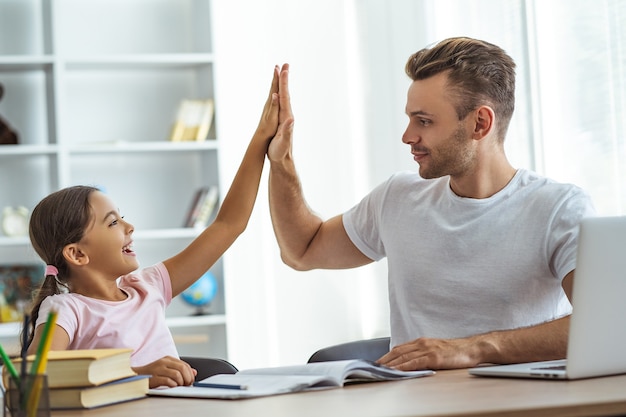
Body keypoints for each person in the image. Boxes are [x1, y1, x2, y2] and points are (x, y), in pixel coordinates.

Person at [266, 37, 596, 371]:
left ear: (480, 123)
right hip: (416, 403)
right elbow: (302, 251)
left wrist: (474, 349)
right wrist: (282, 162)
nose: (407, 136)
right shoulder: (398, 197)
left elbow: (605, 325)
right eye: (410, 119)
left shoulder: (559, 209)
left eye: (424, 121)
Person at [26, 64, 291, 388]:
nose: (129, 226)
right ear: (77, 254)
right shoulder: (65, 310)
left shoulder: (147, 287)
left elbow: (228, 224)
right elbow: (38, 376)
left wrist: (262, 137)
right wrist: (138, 376)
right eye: (113, 222)